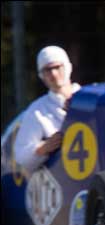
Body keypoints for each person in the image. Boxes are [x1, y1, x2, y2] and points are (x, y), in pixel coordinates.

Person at [14, 45, 81, 174]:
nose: (53, 74)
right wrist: (43, 148)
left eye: (57, 67)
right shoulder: (37, 111)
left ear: (68, 67)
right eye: (47, 70)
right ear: (41, 75)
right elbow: (21, 156)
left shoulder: (89, 99)